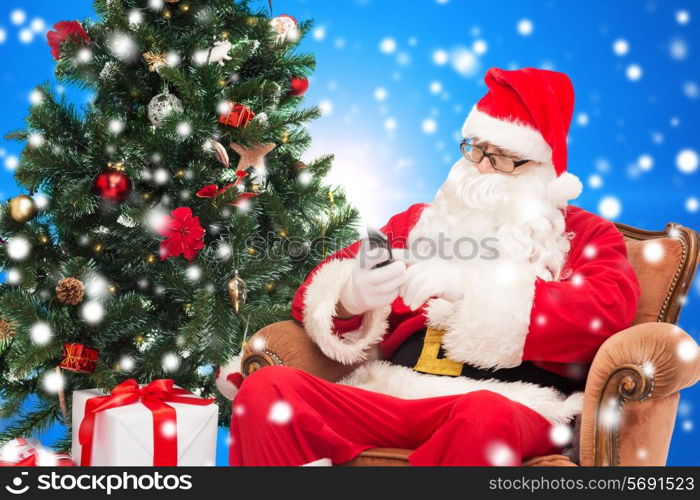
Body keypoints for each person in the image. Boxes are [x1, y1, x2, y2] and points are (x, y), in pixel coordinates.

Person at [216, 67, 641, 466]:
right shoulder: (423, 222)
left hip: (515, 406)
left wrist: (473, 289)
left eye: (504, 157)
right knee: (269, 390)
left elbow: (605, 313)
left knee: (483, 416)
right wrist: (350, 297)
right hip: (396, 393)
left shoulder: (584, 236)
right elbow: (327, 282)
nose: (481, 168)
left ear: (545, 168)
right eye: (476, 149)